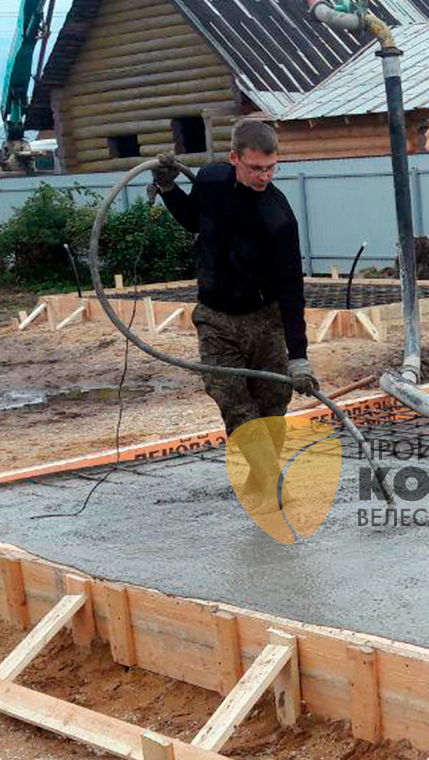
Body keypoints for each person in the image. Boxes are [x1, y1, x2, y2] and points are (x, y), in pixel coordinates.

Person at [151, 120, 317, 513]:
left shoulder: (278, 216)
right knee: (235, 403)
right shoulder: (211, 181)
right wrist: (168, 189)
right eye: (256, 168)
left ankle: (260, 478)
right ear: (234, 159)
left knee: (273, 401)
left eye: (271, 168)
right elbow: (194, 220)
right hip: (215, 318)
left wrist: (298, 356)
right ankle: (272, 484)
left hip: (264, 318)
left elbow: (291, 287)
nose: (264, 176)